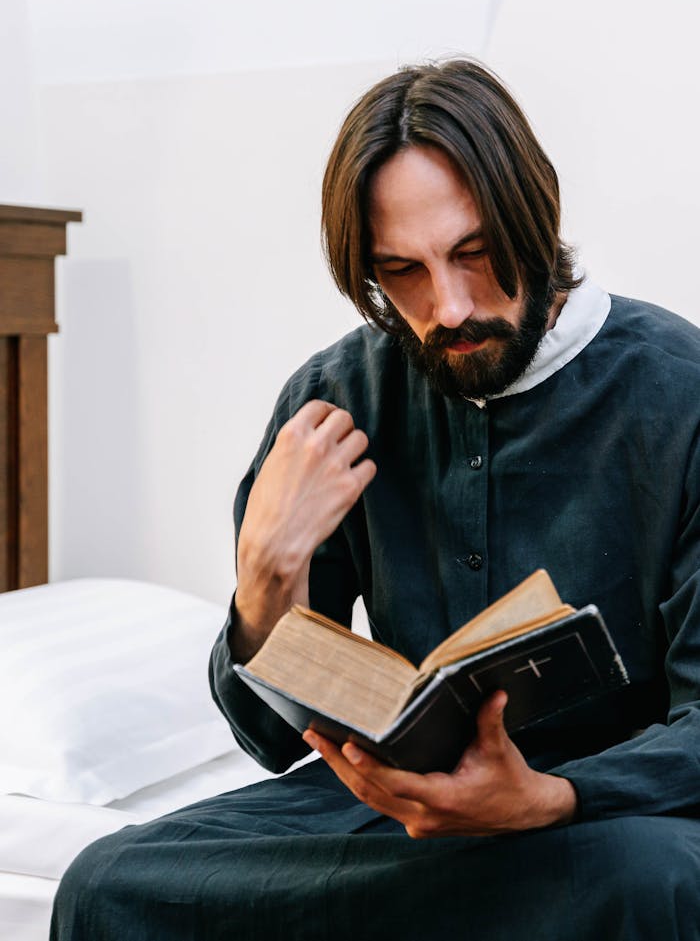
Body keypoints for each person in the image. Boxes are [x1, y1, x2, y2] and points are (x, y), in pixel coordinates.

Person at [52, 60, 700, 940]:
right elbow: (272, 740)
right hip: (402, 826)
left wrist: (546, 798)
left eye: (475, 253)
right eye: (403, 273)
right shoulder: (334, 398)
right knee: (106, 882)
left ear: (536, 212)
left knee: (649, 882)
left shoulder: (681, 393)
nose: (449, 305)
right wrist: (263, 582)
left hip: (612, 817)